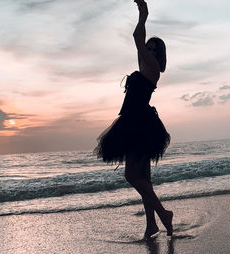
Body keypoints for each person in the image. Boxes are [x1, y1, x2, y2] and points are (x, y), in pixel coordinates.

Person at [94, 0, 173, 239]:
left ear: (158, 55)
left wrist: (143, 17)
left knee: (131, 175)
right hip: (138, 121)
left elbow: (136, 37)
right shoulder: (146, 65)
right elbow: (139, 42)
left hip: (137, 122)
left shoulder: (152, 65)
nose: (146, 51)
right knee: (144, 179)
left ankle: (163, 213)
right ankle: (152, 224)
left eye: (152, 49)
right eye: (147, 48)